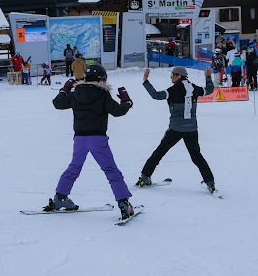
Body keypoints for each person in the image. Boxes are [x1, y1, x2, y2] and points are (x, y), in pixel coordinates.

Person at [46, 63, 134, 220]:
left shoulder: (76, 93)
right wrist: (126, 101)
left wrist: (65, 89)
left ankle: (60, 198)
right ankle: (123, 203)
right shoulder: (103, 94)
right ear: (102, 79)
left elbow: (57, 103)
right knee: (111, 170)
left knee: (73, 168)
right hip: (98, 139)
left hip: (79, 139)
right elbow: (118, 111)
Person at [136, 65, 217, 193]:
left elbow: (156, 95)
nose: (171, 78)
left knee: (159, 152)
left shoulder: (173, 90)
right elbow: (209, 90)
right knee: (197, 156)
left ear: (179, 76)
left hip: (175, 129)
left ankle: (144, 177)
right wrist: (208, 77)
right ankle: (210, 183)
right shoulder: (195, 88)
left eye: (172, 75)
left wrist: (146, 81)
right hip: (191, 129)